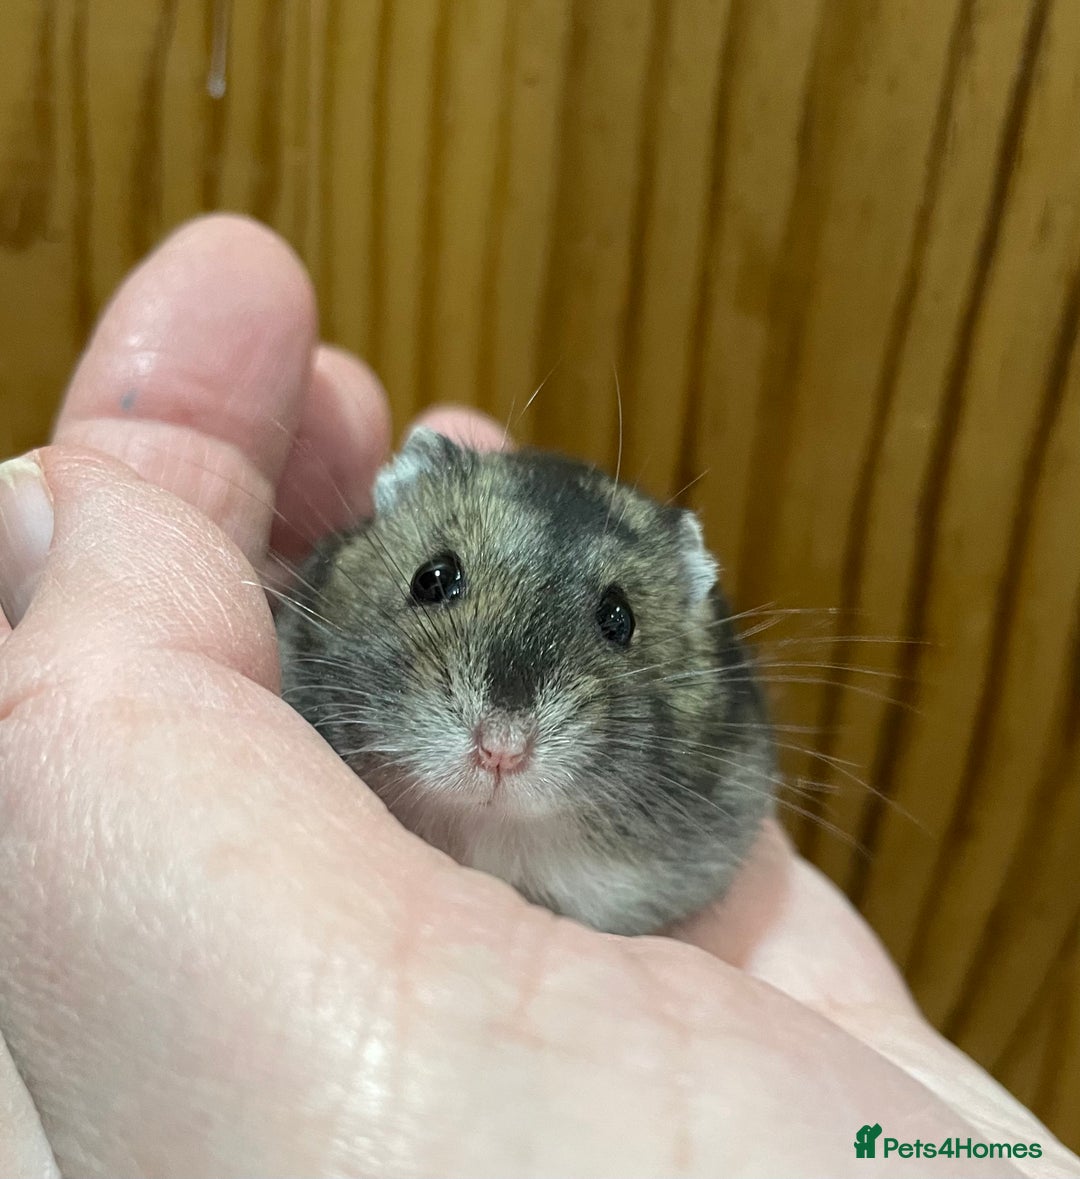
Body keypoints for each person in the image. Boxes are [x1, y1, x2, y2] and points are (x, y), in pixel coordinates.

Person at [0, 215, 1073, 1178]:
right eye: (440, 582)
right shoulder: (311, 646)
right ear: (395, 522)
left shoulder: (698, 782)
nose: (500, 736)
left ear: (680, 604)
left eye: (618, 624)